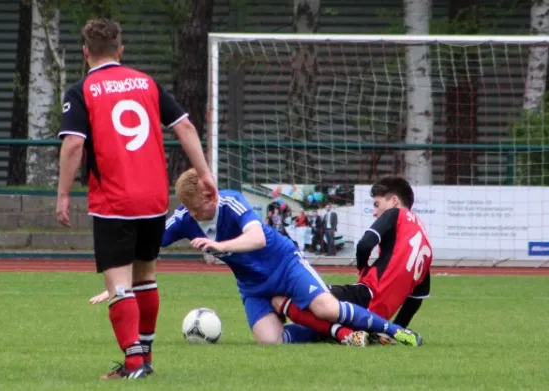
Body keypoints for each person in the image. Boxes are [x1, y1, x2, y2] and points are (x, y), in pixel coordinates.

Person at [90, 169, 423, 348]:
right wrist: (118, 284)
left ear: (211, 195)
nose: (193, 215)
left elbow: (258, 237)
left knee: (325, 308)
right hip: (253, 285)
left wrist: (221, 247)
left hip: (285, 264)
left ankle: (397, 333)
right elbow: (145, 247)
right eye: (188, 210)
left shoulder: (231, 201)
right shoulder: (184, 218)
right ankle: (338, 333)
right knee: (271, 342)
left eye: (197, 207)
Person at [55, 19, 217, 380]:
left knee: (119, 284)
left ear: (85, 53)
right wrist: (204, 173)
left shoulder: (83, 89)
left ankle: (132, 363)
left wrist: (63, 193)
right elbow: (185, 126)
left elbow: (74, 143)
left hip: (114, 199)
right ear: (121, 50)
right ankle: (145, 357)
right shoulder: (146, 82)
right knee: (145, 275)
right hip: (154, 198)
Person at [327, 176, 432, 343]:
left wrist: (363, 269)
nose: (375, 212)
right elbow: (417, 298)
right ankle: (355, 334)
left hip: (365, 295)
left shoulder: (395, 213)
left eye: (377, 204)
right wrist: (397, 328)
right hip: (376, 319)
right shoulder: (425, 244)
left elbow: (364, 244)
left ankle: (343, 333)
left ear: (394, 201)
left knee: (308, 295)